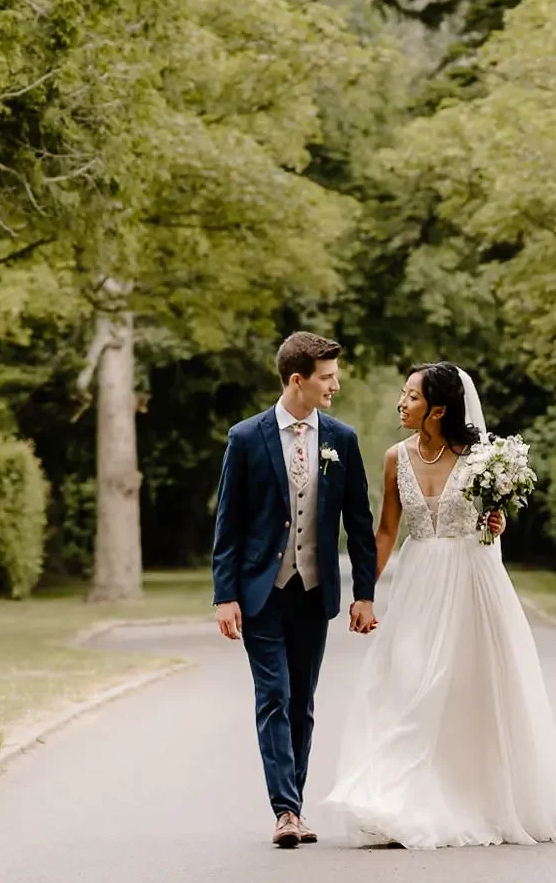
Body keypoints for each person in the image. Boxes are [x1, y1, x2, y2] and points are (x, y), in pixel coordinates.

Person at [313, 362, 556, 849]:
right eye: (402, 394)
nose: (401, 403)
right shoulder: (396, 457)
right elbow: (386, 532)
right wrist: (364, 594)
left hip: (472, 582)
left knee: (467, 690)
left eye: (412, 396)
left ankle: (471, 798)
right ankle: (397, 799)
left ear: (438, 408)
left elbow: (491, 523)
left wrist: (495, 523)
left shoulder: (484, 458)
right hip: (419, 585)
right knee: (408, 683)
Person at [210, 331, 379, 849]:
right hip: (262, 591)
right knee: (275, 696)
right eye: (327, 377)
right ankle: (285, 811)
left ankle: (295, 806)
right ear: (297, 380)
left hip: (314, 590)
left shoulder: (341, 439)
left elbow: (359, 519)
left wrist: (364, 592)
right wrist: (224, 594)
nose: (336, 385)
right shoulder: (245, 438)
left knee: (302, 701)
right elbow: (229, 521)